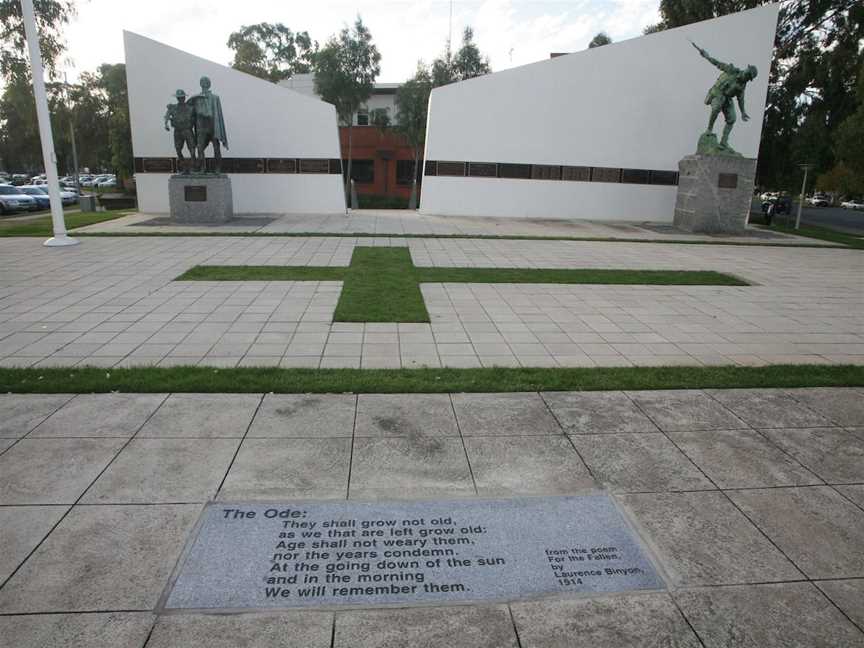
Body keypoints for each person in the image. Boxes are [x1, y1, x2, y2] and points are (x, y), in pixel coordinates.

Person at [691, 41, 758, 152]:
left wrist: (743, 112)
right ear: (746, 70)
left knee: (732, 119)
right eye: (747, 74)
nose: (746, 77)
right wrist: (706, 56)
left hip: (727, 99)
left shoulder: (742, 86)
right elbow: (717, 63)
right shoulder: (731, 70)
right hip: (717, 92)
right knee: (716, 107)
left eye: (748, 77)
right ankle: (709, 129)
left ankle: (723, 142)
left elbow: (741, 99)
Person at [187, 76, 229, 173]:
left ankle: (218, 167)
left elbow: (218, 114)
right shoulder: (195, 98)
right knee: (200, 148)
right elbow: (190, 112)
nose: (204, 83)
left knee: (216, 147)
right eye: (202, 82)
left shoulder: (215, 98)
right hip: (201, 127)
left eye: (206, 82)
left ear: (209, 84)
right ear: (200, 84)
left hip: (213, 126)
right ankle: (203, 168)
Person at [163, 89, 196, 173]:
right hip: (178, 131)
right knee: (178, 149)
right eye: (179, 97)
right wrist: (166, 124)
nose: (180, 99)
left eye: (182, 97)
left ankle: (193, 166)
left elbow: (196, 119)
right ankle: (184, 166)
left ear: (184, 97)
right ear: (177, 98)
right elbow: (166, 115)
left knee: (192, 149)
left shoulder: (191, 108)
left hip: (188, 130)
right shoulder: (172, 107)